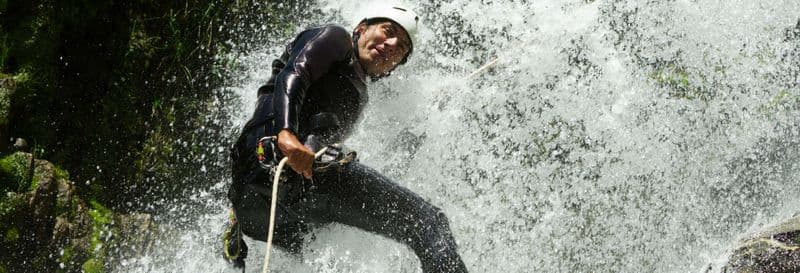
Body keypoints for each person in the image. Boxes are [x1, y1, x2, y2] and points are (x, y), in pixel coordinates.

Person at [222, 5, 468, 272]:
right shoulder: (336, 39)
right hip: (274, 158)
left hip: (265, 201)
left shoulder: (360, 94)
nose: (392, 44)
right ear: (361, 29)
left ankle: (237, 230)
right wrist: (286, 134)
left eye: (401, 49)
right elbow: (294, 74)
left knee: (317, 252)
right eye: (388, 31)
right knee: (428, 222)